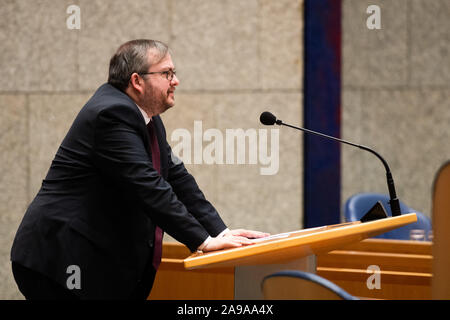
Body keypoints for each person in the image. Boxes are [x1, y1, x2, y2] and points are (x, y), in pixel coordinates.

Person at [10, 39, 268, 300]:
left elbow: (177, 178)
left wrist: (219, 232)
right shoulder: (111, 114)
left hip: (89, 261)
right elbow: (147, 185)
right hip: (60, 258)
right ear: (137, 81)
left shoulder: (147, 118)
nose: (175, 81)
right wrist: (202, 241)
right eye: (167, 73)